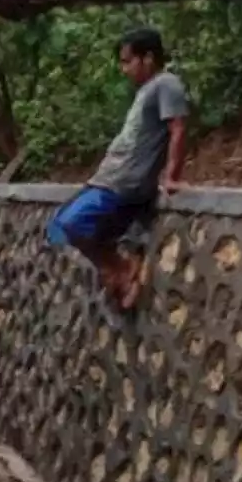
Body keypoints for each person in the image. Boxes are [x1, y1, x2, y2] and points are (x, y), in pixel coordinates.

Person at [46, 28, 189, 310]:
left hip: (126, 183)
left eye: (127, 61)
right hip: (110, 178)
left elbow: (179, 129)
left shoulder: (167, 84)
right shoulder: (146, 91)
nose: (124, 69)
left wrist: (172, 175)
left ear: (148, 58)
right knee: (57, 227)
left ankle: (121, 269)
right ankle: (115, 262)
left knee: (71, 223)